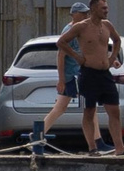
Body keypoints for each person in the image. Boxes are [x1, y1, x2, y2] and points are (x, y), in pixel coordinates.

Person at [71, 0, 124, 154]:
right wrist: (77, 57)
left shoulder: (107, 25)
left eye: (107, 8)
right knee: (89, 110)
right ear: (94, 9)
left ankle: (119, 147)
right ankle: (92, 147)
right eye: (103, 8)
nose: (106, 11)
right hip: (89, 73)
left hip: (105, 74)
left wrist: (112, 58)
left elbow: (117, 41)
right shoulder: (81, 27)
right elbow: (61, 42)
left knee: (114, 110)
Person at [31, 13, 85, 147]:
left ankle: (38, 135)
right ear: (76, 15)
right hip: (71, 76)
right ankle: (97, 142)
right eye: (84, 13)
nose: (86, 16)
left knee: (65, 108)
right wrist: (61, 80)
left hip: (77, 74)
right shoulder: (70, 31)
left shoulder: (79, 30)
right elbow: (61, 56)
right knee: (85, 108)